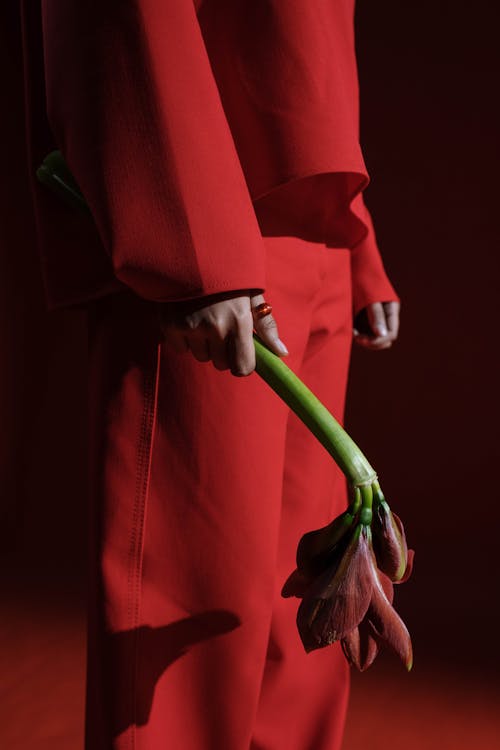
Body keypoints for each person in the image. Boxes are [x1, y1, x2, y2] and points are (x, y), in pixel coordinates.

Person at [20, 1, 400, 748]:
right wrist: (187, 234)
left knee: (301, 643)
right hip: (212, 225)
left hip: (304, 222)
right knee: (188, 647)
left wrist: (353, 238)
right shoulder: (198, 239)